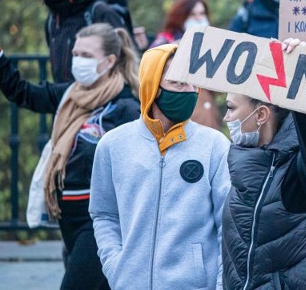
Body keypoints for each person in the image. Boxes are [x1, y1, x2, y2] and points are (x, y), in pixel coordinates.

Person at [0, 22, 140, 289]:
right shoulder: (70, 96)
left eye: (86, 56)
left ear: (109, 61)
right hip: (67, 217)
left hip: (99, 220)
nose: (78, 61)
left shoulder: (127, 108)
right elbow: (21, 92)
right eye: (75, 54)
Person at [89, 44, 230, 290]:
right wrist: (116, 267)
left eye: (191, 84)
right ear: (152, 85)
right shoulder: (112, 145)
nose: (188, 92)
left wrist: (221, 286)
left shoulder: (215, 145)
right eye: (177, 83)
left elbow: (228, 227)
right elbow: (104, 214)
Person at [221, 37, 306, 289]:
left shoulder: (303, 169)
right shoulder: (245, 162)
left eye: (231, 108)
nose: (226, 117)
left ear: (261, 114)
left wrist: (302, 72)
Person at [149, 0, 221, 129]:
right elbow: (150, 65)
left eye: (202, 13)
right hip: (181, 115)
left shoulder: (210, 43)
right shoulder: (166, 40)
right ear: (181, 17)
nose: (199, 18)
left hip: (208, 113)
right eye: (193, 14)